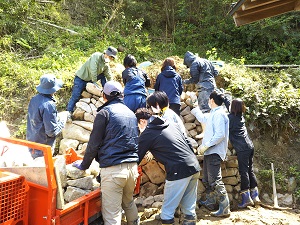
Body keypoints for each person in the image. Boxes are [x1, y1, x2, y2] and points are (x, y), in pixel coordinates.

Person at [72, 81, 140, 225]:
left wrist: (84, 165)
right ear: (121, 95)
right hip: (132, 168)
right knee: (128, 203)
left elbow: (93, 144)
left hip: (114, 170)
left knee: (112, 215)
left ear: (104, 96)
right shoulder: (131, 114)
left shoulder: (104, 113)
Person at [135, 107, 200, 225]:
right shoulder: (171, 124)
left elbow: (137, 156)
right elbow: (187, 142)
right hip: (194, 166)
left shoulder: (148, 132)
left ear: (142, 121)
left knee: (167, 212)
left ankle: (167, 220)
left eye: (138, 125)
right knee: (189, 209)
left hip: (178, 171)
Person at [191, 90, 231, 217]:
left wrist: (206, 145)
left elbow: (220, 135)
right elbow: (203, 118)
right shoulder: (214, 113)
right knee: (208, 179)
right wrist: (195, 106)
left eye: (209, 99)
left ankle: (225, 207)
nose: (208, 101)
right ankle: (210, 201)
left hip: (214, 151)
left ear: (212, 100)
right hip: (210, 151)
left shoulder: (219, 114)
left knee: (215, 179)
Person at [224, 97, 261, 208]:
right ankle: (255, 196)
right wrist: (226, 100)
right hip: (250, 146)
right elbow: (231, 109)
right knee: (250, 170)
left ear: (233, 107)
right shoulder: (240, 116)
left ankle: (246, 198)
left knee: (243, 171)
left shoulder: (230, 118)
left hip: (242, 148)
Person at [66, 46, 118, 114]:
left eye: (112, 58)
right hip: (81, 78)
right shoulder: (96, 56)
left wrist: (112, 85)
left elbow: (108, 74)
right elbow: (93, 70)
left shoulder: (106, 64)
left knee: (103, 76)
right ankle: (68, 111)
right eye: (110, 56)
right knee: (75, 96)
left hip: (90, 79)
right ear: (105, 53)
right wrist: (94, 82)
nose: (110, 59)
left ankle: (105, 91)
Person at [26, 74, 67, 159]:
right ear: (53, 89)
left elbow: (37, 119)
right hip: (43, 148)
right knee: (43, 169)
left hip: (32, 142)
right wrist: (63, 121)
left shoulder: (34, 99)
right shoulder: (49, 105)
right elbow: (51, 132)